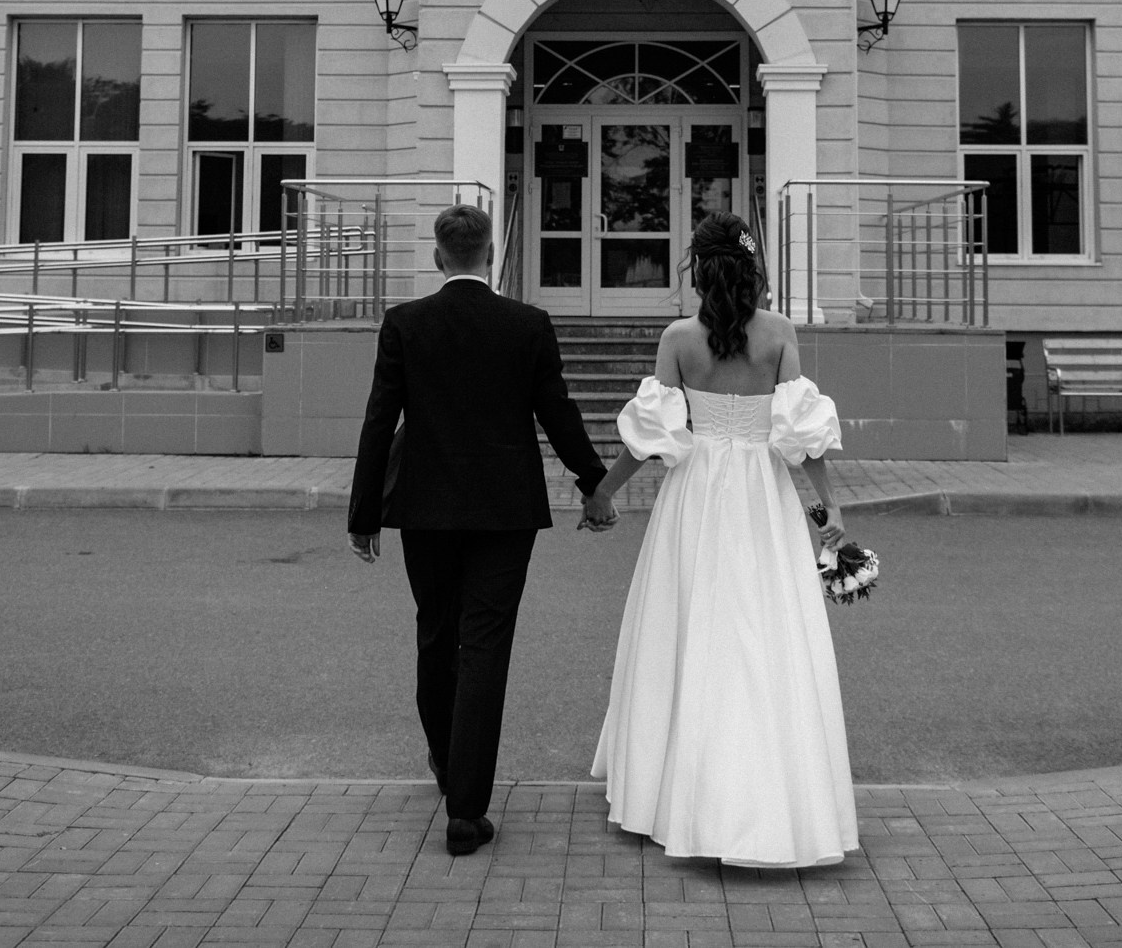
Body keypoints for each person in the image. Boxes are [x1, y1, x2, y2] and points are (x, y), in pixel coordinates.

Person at [580, 211, 860, 868]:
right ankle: (773, 797)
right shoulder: (781, 334)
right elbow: (798, 436)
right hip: (762, 495)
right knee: (768, 631)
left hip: (697, 497)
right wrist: (831, 504)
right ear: (752, 268)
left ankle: (673, 793)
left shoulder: (678, 338)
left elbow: (651, 439)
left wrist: (603, 493)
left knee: (685, 630)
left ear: (697, 269)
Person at [347, 202, 611, 857]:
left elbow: (380, 419)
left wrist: (363, 514)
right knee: (484, 645)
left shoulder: (405, 323)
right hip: (504, 510)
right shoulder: (526, 324)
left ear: (439, 258)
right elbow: (558, 411)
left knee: (436, 633)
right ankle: (466, 810)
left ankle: (446, 764)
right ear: (489, 255)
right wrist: (594, 484)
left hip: (425, 508)